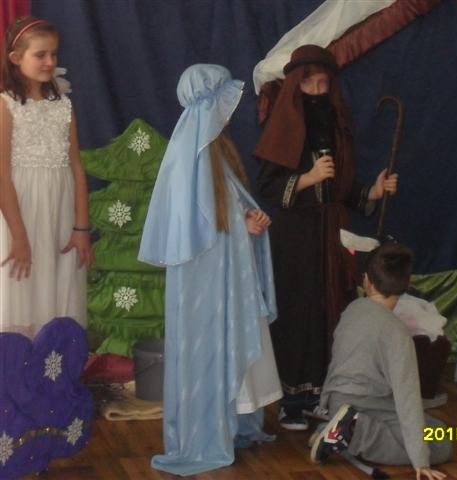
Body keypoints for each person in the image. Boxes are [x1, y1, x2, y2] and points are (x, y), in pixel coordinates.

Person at [138, 64, 282, 476]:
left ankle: (233, 421)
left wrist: (247, 221)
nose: (228, 112)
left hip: (224, 278)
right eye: (223, 103)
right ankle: (205, 433)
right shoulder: (191, 157)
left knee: (226, 347)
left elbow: (221, 213)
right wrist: (241, 226)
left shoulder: (215, 152)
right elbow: (198, 227)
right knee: (208, 353)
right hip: (205, 284)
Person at [255, 44, 398, 429]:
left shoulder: (337, 125)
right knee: (298, 313)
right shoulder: (282, 125)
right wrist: (308, 178)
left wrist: (372, 192)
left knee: (331, 311)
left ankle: (325, 394)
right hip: (296, 239)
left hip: (332, 237)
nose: (317, 92)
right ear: (295, 87)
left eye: (323, 84)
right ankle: (293, 400)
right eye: (309, 85)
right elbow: (267, 187)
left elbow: (343, 187)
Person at [311, 242, 451, 480]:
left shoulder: (353, 308)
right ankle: (356, 433)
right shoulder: (397, 333)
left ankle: (336, 430)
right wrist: (420, 460)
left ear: (367, 280)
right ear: (408, 283)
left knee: (436, 429)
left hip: (336, 400)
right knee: (441, 443)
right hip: (367, 405)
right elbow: (407, 399)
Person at [0, 16, 93, 337]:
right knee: (22, 288)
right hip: (21, 212)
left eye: (54, 54)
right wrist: (19, 236)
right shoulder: (6, 105)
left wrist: (81, 228)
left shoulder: (63, 106)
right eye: (40, 55)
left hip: (60, 212)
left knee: (57, 286)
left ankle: (52, 360)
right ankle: (17, 360)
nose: (50, 62)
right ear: (16, 58)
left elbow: (76, 167)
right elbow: (2, 175)